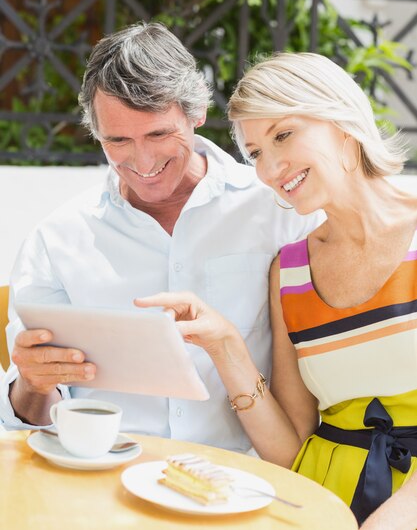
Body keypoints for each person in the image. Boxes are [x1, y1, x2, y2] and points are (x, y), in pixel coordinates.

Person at [0, 23, 320, 453]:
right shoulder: (58, 240)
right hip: (103, 489)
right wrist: (33, 386)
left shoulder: (278, 211)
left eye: (158, 134)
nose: (143, 160)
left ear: (197, 113)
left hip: (240, 483)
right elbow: (30, 421)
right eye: (117, 140)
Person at [135, 52, 417, 528]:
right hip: (319, 509)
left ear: (341, 122)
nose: (269, 169)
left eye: (283, 135)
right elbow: (293, 451)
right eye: (255, 153)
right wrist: (228, 349)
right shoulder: (289, 272)